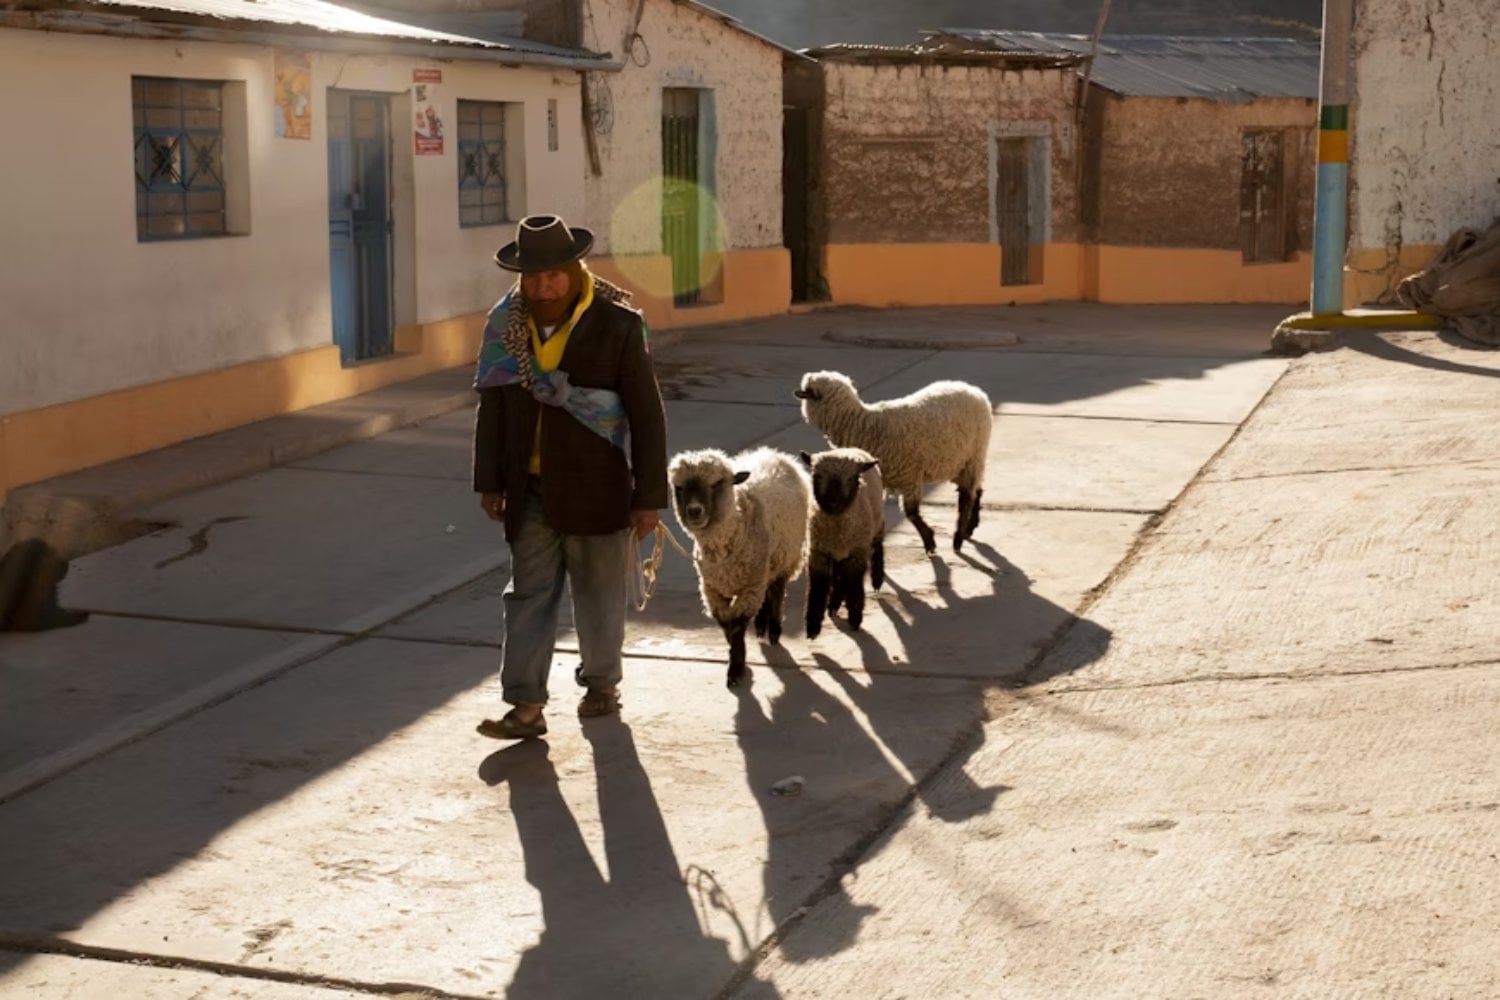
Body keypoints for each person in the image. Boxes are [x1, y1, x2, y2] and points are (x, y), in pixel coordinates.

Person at [472, 214, 668, 740]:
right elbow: (493, 408)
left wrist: (648, 496)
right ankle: (526, 706)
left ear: (576, 271)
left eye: (554, 275)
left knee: (599, 594)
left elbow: (646, 414)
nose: (543, 287)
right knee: (527, 597)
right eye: (533, 277)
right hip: (529, 489)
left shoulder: (617, 324)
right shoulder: (504, 327)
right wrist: (490, 481)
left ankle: (602, 684)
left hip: (598, 488)